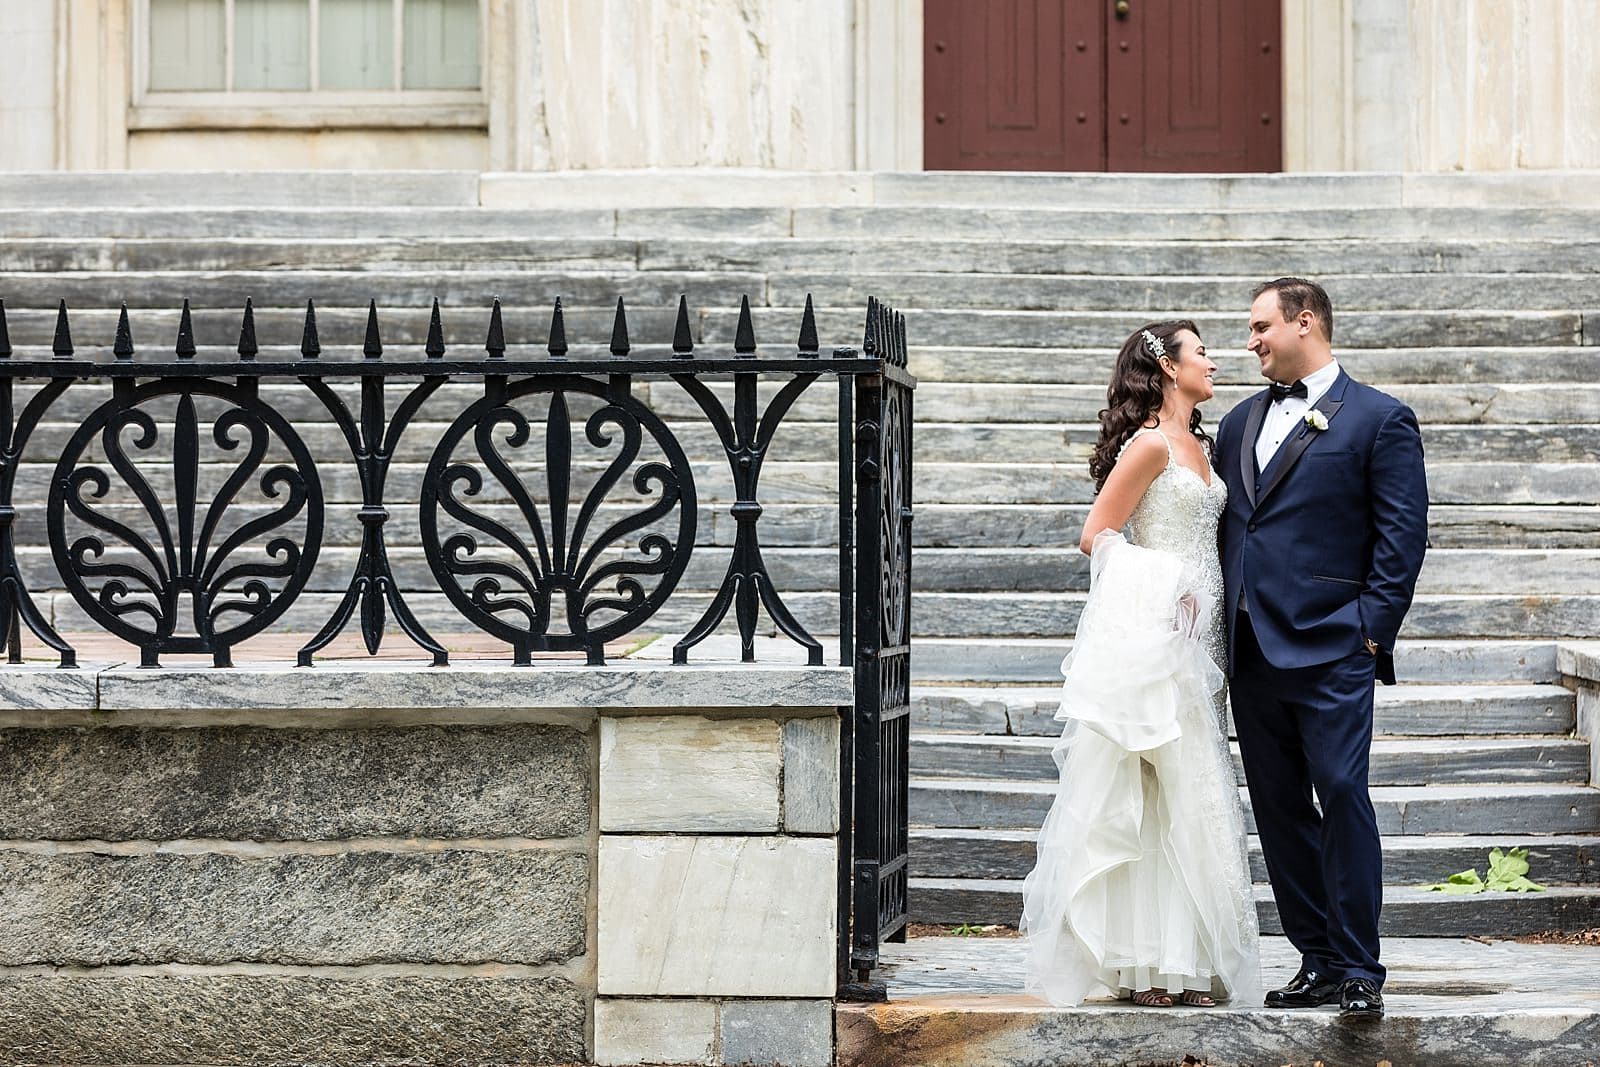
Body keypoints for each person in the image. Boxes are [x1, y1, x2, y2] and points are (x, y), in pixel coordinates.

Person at [1021, 320, 1261, 1009]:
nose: (1214, 360)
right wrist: (1163, 584)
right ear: (1167, 366)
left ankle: (1190, 958)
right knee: (1152, 789)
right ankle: (1147, 962)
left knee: (1194, 788)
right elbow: (1096, 533)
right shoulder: (1151, 444)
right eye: (1202, 351)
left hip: (1204, 642)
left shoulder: (1203, 445)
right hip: (1161, 631)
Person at [1214, 278, 1428, 1023]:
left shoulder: (1379, 418)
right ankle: (1318, 959)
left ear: (1306, 322)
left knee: (1341, 793)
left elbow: (1403, 535)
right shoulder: (1239, 422)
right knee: (1277, 810)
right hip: (1252, 650)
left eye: (1260, 326)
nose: (1250, 341)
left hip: (1336, 645)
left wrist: (1371, 627)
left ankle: (1361, 964)